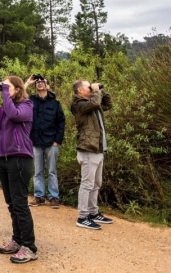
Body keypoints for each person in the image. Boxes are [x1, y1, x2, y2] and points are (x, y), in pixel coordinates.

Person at [0, 76, 38, 264]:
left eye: (8, 86)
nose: (5, 89)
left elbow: (15, 115)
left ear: (17, 89)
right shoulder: (6, 109)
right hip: (3, 159)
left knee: (20, 203)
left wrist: (4, 92)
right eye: (4, 86)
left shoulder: (26, 105)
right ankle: (18, 240)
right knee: (11, 203)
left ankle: (29, 247)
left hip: (20, 160)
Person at [71, 79, 113, 230]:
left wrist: (100, 90)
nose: (91, 88)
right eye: (88, 87)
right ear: (80, 91)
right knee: (87, 184)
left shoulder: (92, 102)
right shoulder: (79, 105)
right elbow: (95, 103)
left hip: (98, 148)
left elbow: (107, 104)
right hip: (88, 149)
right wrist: (95, 92)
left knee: (96, 184)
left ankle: (93, 212)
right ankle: (83, 216)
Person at [24, 75, 66, 209]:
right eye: (38, 82)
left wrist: (57, 141)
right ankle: (39, 196)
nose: (40, 84)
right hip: (35, 142)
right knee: (37, 171)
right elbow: (18, 98)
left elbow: (61, 122)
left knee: (52, 171)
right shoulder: (30, 100)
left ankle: (53, 197)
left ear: (48, 86)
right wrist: (28, 83)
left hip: (51, 142)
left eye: (43, 82)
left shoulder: (55, 103)